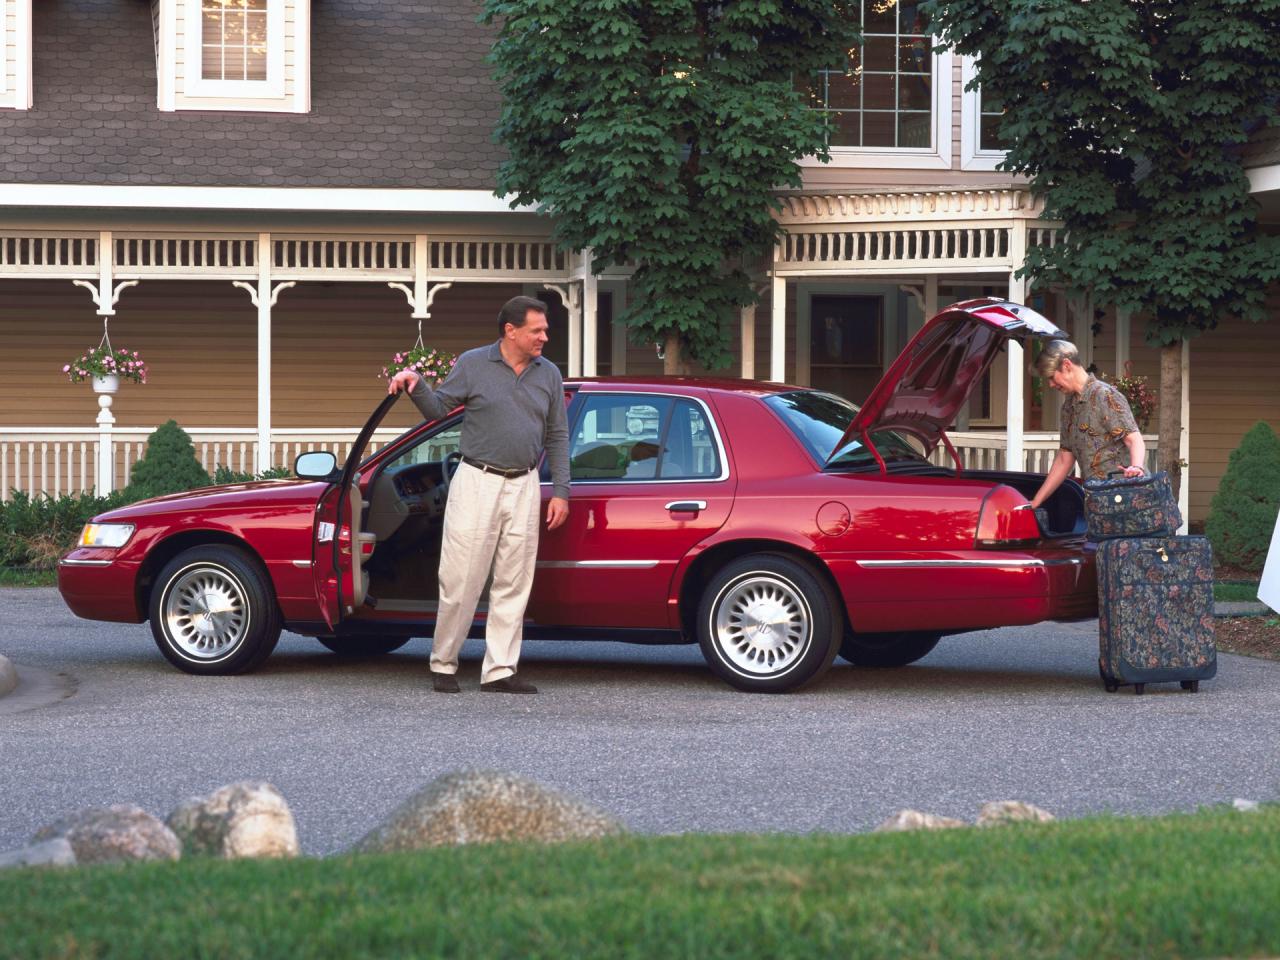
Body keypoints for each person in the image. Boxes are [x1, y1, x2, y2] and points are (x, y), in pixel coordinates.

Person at [387, 296, 570, 694]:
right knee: (461, 577)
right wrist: (416, 384)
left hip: (524, 484)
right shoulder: (473, 364)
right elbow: (438, 410)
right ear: (511, 330)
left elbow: (557, 434)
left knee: (513, 581)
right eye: (537, 330)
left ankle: (500, 671)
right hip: (476, 481)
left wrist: (560, 491)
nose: (545, 336)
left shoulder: (548, 373)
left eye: (544, 329)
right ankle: (444, 662)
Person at [1028, 340, 1146, 512]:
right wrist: (1036, 502)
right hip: (1097, 505)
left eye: (1052, 377)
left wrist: (1136, 468)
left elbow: (1134, 440)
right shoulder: (1068, 408)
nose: (1051, 384)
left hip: (1128, 502)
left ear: (1067, 365)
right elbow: (1064, 459)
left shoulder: (1104, 396)